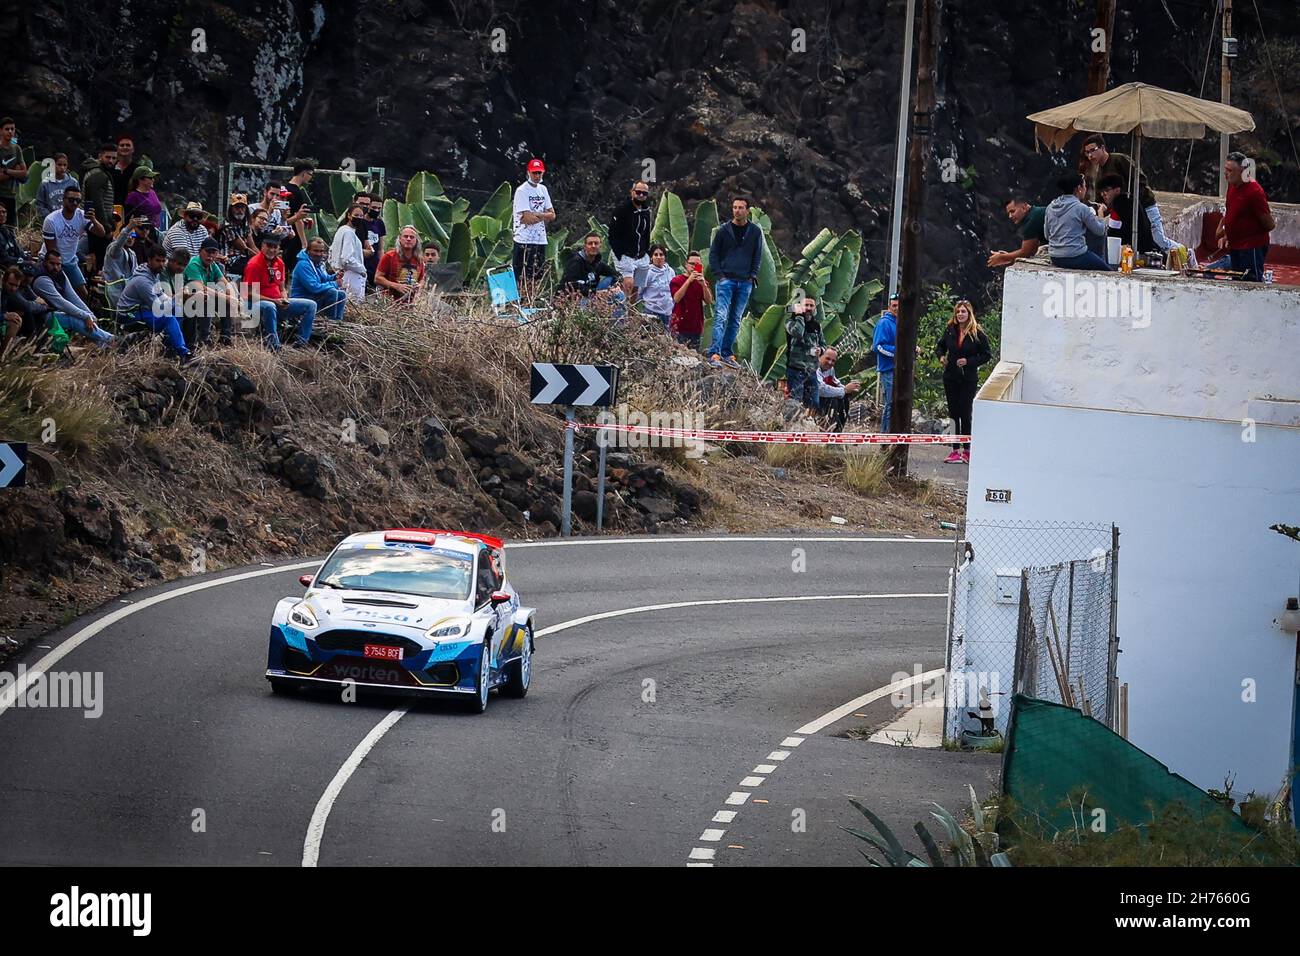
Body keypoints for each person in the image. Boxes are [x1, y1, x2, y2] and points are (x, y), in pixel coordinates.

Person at [1078, 133, 1175, 251]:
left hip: (1145, 205)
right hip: (1126, 214)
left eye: (1093, 150)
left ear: (1103, 148)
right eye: (1087, 153)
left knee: (1158, 240)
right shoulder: (1099, 172)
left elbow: (1140, 179)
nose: (1090, 155)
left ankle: (1185, 252)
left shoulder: (1119, 160)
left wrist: (1131, 200)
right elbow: (1102, 199)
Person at [708, 196, 763, 369]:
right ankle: (714, 352)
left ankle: (726, 352)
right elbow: (713, 254)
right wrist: (720, 275)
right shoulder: (724, 230)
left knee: (735, 319)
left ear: (747, 210)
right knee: (721, 316)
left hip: (745, 282)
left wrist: (752, 274)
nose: (737, 210)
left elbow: (757, 255)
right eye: (734, 207)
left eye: (741, 207)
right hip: (726, 280)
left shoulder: (754, 231)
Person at [935, 299, 991, 464]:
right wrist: (941, 357)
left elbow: (987, 354)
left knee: (965, 413)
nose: (960, 314)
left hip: (968, 378)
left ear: (969, 313)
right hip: (951, 376)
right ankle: (954, 449)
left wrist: (969, 361)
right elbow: (939, 347)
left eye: (963, 311)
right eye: (958, 311)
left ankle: (967, 450)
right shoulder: (950, 329)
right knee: (953, 413)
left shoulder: (977, 333)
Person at [116, 245, 191, 359]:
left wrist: (179, 298)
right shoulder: (143, 281)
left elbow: (162, 296)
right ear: (149, 260)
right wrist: (177, 298)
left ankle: (169, 348)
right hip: (129, 315)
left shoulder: (153, 274)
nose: (161, 264)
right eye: (157, 260)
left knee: (178, 310)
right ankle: (183, 353)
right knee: (168, 317)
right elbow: (159, 308)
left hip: (142, 310)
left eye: (163, 260)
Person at [243, 234, 316, 349]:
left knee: (311, 305)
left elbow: (282, 288)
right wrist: (274, 300)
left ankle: (301, 343)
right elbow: (249, 294)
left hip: (277, 302)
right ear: (262, 246)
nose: (272, 250)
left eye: (275, 247)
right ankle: (274, 345)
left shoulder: (280, 263)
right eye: (269, 246)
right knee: (269, 306)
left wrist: (284, 299)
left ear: (279, 248)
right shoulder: (254, 264)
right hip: (254, 304)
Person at [32, 249, 114, 348]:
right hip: (43, 316)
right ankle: (111, 339)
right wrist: (85, 316)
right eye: (52, 264)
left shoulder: (60, 274)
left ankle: (105, 344)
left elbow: (72, 297)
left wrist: (90, 315)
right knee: (73, 319)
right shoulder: (42, 280)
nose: (56, 267)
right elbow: (61, 303)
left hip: (55, 311)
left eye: (58, 264)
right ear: (45, 262)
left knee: (85, 318)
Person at [1216, 151, 1274, 282]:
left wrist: (1245, 232)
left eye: (1230, 170)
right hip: (1235, 245)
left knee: (1250, 282)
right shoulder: (1232, 186)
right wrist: (1226, 233)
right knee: (1236, 280)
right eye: (1225, 169)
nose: (1226, 173)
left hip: (1251, 248)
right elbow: (1231, 211)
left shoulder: (1254, 192)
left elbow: (1269, 224)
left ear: (1242, 172)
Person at [41, 185, 104, 300]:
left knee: (83, 295)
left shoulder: (81, 215)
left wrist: (93, 220)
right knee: (60, 294)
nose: (74, 203)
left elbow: (101, 233)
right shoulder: (51, 220)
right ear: (63, 200)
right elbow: (51, 251)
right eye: (71, 200)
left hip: (70, 260)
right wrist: (58, 269)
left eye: (78, 200)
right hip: (52, 260)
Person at [1045, 174, 1112, 271]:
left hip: (1055, 257)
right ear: (1078, 188)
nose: (1085, 189)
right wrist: (1100, 212)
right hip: (1075, 256)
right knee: (1108, 271)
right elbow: (1100, 231)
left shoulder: (1050, 207)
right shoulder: (1081, 208)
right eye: (1084, 186)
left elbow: (1047, 235)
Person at [183, 238, 241, 346]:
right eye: (207, 252)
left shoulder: (213, 265)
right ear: (200, 251)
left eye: (213, 253)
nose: (210, 256)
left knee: (226, 302)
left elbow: (224, 283)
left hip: (202, 297)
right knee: (207, 300)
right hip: (187, 299)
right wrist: (227, 298)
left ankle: (225, 337)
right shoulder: (193, 264)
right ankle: (204, 339)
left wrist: (234, 297)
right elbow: (201, 288)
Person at [512, 158, 555, 292]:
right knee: (522, 274)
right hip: (524, 238)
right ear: (529, 173)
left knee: (537, 274)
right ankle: (521, 299)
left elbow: (552, 215)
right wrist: (543, 215)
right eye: (534, 173)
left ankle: (532, 299)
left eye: (539, 173)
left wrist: (539, 215)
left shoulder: (543, 189)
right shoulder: (522, 191)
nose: (537, 176)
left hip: (540, 238)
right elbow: (526, 218)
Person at [608, 180, 653, 301]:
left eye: (644, 193)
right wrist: (619, 253)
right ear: (632, 193)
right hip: (625, 254)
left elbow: (646, 233)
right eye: (638, 192)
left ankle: (631, 314)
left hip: (641, 255)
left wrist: (646, 250)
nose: (641, 195)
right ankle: (622, 313)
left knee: (636, 288)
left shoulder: (646, 211)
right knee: (627, 284)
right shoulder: (621, 210)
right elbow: (612, 234)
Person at [558, 231, 623, 315]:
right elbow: (571, 284)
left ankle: (619, 326)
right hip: (575, 298)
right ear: (585, 246)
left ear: (600, 246)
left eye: (596, 243)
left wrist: (616, 285)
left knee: (618, 292)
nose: (593, 246)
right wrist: (596, 293)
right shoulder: (575, 262)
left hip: (592, 295)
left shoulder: (598, 263)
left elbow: (617, 275)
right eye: (590, 243)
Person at [291, 236, 346, 328]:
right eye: (315, 251)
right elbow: (314, 287)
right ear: (308, 251)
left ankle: (337, 323)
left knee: (341, 294)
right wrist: (335, 284)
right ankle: (330, 323)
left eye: (321, 251)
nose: (319, 254)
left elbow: (323, 279)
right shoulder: (303, 265)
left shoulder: (317, 263)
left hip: (312, 296)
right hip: (302, 298)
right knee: (332, 292)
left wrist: (334, 277)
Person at [1095, 173, 1154, 256]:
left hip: (1133, 250)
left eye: (1106, 191)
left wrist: (1100, 214)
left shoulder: (1119, 205)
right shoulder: (1131, 200)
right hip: (1146, 246)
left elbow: (1112, 233)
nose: (1103, 195)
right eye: (1101, 192)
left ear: (1117, 190)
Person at [81, 144, 117, 272]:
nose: (111, 161)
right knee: (99, 264)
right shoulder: (98, 174)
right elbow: (97, 203)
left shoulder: (100, 173)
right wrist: (106, 228)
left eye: (114, 158)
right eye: (108, 157)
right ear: (100, 156)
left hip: (97, 224)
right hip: (96, 228)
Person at [785, 296, 825, 407]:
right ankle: (791, 423)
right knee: (795, 402)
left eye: (811, 305)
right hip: (796, 370)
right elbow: (798, 333)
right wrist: (799, 316)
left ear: (814, 308)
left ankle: (808, 423)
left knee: (814, 403)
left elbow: (824, 344)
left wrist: (820, 350)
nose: (808, 308)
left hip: (811, 371)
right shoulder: (790, 322)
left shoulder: (817, 326)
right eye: (805, 305)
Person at [986, 195, 1046, 268]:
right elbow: (1031, 250)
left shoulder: (1032, 221)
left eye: (1012, 211)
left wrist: (1003, 257)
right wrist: (1007, 256)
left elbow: (1027, 252)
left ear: (1024, 207)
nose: (1010, 216)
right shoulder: (1035, 213)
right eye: (1008, 213)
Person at [668, 250, 712, 349]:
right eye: (692, 264)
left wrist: (703, 285)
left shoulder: (702, 282)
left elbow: (709, 301)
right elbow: (676, 298)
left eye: (697, 264)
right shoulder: (677, 280)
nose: (694, 267)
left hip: (695, 328)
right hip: (679, 327)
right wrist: (689, 280)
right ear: (686, 264)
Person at [103, 215, 148, 306]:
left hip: (129, 294)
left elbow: (135, 274)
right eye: (128, 235)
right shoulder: (113, 249)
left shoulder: (132, 253)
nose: (130, 238)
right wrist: (128, 228)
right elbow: (118, 245)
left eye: (133, 235)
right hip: (115, 293)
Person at [815, 346, 861, 432]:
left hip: (823, 399)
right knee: (835, 398)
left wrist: (850, 388)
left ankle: (837, 432)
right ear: (820, 357)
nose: (830, 362)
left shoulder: (830, 369)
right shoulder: (814, 369)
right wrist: (844, 390)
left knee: (844, 398)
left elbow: (836, 382)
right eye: (827, 359)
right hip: (812, 400)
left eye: (833, 361)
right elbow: (821, 389)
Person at [329, 203, 369, 301]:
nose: (359, 218)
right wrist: (362, 269)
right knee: (352, 304)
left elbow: (331, 253)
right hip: (352, 276)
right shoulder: (348, 233)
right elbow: (346, 258)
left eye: (361, 216)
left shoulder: (341, 230)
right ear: (349, 215)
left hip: (341, 274)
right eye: (356, 215)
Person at [280, 159, 316, 265]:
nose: (310, 178)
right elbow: (297, 218)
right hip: (293, 236)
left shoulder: (285, 188)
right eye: (310, 174)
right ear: (303, 173)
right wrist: (304, 243)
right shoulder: (297, 192)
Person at [375, 225, 424, 301]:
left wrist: (419, 286)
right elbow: (377, 278)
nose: (408, 239)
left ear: (416, 241)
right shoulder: (389, 256)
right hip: (390, 303)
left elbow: (422, 279)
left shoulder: (419, 259)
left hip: (411, 304)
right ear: (400, 239)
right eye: (406, 236)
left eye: (412, 237)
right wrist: (396, 286)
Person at [872, 295, 898, 431]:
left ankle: (893, 435)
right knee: (891, 404)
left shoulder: (902, 322)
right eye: (894, 305)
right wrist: (899, 353)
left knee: (898, 404)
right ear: (889, 307)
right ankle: (885, 437)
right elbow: (878, 346)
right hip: (888, 370)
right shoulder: (884, 323)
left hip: (901, 371)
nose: (897, 308)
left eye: (899, 305)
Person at [218, 193, 258, 277]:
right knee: (254, 267)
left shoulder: (246, 226)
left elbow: (253, 246)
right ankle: (249, 290)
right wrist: (263, 261)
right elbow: (244, 249)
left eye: (242, 207)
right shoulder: (227, 226)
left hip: (243, 259)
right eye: (237, 207)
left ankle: (255, 289)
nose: (240, 210)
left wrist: (265, 259)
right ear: (231, 209)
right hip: (229, 260)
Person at [640, 244, 675, 328]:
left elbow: (674, 291)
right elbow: (638, 292)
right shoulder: (647, 272)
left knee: (667, 340)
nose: (658, 257)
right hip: (651, 312)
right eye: (655, 254)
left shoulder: (670, 271)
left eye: (661, 254)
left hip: (668, 313)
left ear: (665, 257)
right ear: (651, 257)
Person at [0, 118, 27, 224]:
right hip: (0, 194)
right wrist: (15, 172)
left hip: (11, 195)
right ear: (1, 131)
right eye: (7, 129)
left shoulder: (17, 149)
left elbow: (24, 173)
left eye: (12, 129)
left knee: (11, 228)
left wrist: (6, 171)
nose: (10, 132)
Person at [35, 153, 79, 218]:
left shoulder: (73, 182)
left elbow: (79, 201)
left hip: (70, 219)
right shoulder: (45, 184)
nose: (62, 168)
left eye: (65, 165)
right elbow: (39, 204)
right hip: (51, 220)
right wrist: (50, 216)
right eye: (59, 165)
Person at [123, 167, 164, 231]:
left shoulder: (152, 192)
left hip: (155, 232)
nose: (153, 180)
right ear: (140, 179)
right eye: (150, 178)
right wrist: (138, 231)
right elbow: (127, 219)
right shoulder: (133, 196)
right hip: (141, 234)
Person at [111, 134, 141, 204]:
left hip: (131, 209)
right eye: (122, 145)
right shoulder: (110, 168)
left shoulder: (138, 170)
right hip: (111, 208)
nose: (125, 147)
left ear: (133, 149)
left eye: (128, 145)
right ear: (117, 149)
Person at [0, 202, 31, 268]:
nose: (2, 214)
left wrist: (27, 258)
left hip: (15, 264)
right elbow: (4, 259)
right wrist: (25, 262)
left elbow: (18, 250)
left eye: (4, 212)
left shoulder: (7, 231)